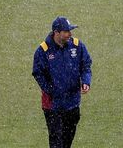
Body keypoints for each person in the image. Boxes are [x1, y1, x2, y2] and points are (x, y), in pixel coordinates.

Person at [32, 17, 92, 148]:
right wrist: (51, 90)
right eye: (66, 31)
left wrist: (86, 81)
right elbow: (38, 73)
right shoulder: (43, 50)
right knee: (56, 143)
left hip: (72, 103)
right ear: (56, 33)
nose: (70, 34)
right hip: (53, 106)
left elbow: (86, 65)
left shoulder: (77, 46)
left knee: (67, 141)